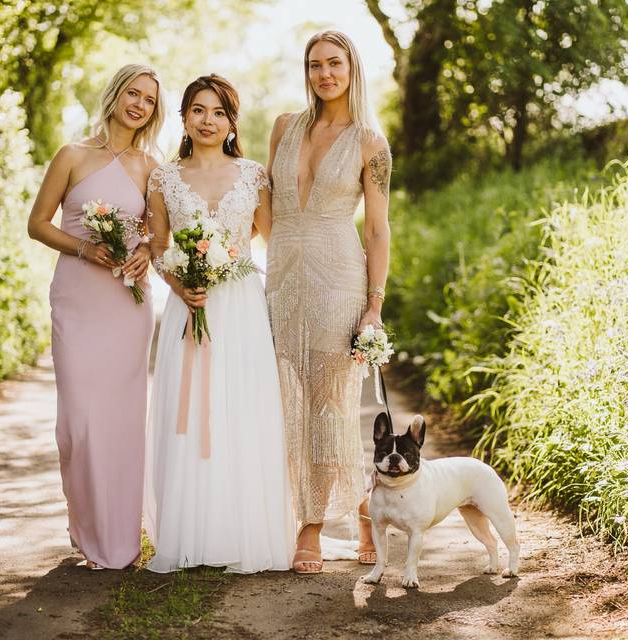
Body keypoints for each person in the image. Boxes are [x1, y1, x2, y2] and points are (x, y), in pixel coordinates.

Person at [143, 74, 294, 574]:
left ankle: (242, 531)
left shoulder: (253, 175)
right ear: (184, 117)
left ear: (232, 122)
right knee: (189, 415)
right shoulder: (164, 178)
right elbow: (158, 248)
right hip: (189, 307)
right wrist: (179, 285)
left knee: (241, 410)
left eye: (219, 113)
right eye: (198, 110)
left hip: (241, 307)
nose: (208, 121)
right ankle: (192, 535)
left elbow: (275, 242)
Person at [27, 63, 164, 570]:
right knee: (79, 422)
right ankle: (85, 526)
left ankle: (119, 539)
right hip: (78, 298)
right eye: (133, 92)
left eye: (149, 100)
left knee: (123, 420)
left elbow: (158, 233)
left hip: (128, 304)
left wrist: (146, 252)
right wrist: (85, 249)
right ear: (114, 93)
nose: (139, 105)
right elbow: (37, 224)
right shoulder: (72, 155)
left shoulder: (152, 167)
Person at [266, 30, 392, 574]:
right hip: (281, 275)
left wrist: (374, 304)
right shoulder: (282, 127)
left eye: (334, 63)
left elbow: (379, 231)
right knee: (283, 401)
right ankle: (365, 506)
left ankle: (311, 526)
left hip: (340, 276)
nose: (324, 74)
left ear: (351, 67)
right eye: (315, 64)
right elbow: (262, 203)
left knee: (329, 404)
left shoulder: (371, 143)